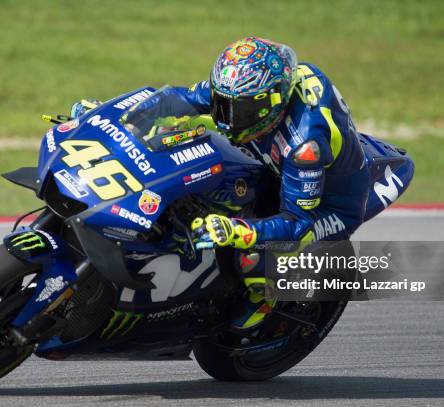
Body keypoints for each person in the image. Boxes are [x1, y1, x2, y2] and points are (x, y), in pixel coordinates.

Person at [71, 36, 370, 330]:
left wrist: (239, 230)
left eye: (238, 111)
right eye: (222, 104)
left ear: (271, 103)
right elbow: (180, 100)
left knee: (250, 255)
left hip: (327, 206)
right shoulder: (247, 90)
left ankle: (266, 297)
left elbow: (297, 222)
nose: (226, 117)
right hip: (274, 165)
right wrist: (119, 117)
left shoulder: (304, 146)